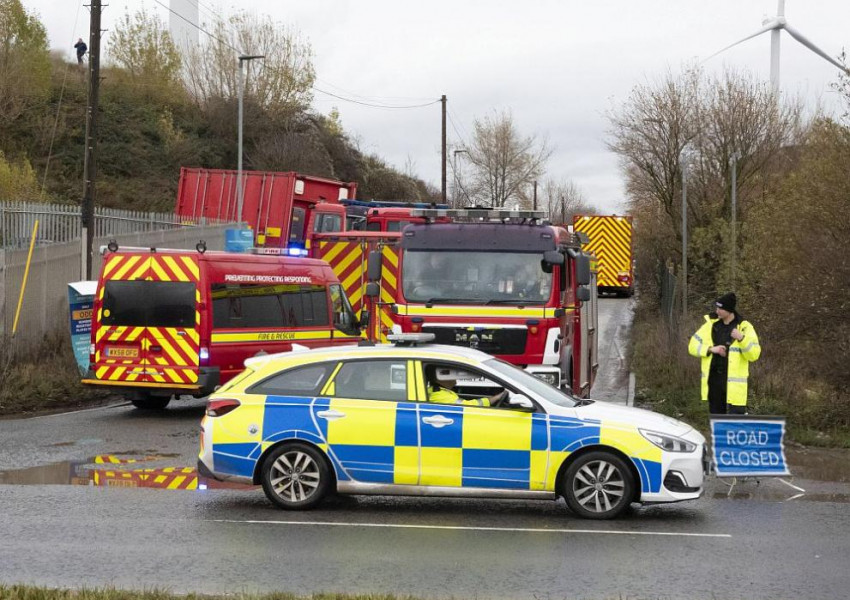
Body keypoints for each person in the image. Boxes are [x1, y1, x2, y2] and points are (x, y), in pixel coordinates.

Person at [688, 292, 761, 414]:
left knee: (735, 425)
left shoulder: (744, 327)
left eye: (720, 308)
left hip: (735, 388)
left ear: (729, 310)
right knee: (717, 423)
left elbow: (754, 355)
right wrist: (711, 349)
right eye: (716, 307)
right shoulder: (710, 325)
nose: (717, 311)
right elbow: (692, 346)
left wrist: (742, 339)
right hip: (715, 381)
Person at [425, 365, 508, 407]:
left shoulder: (439, 391)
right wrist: (495, 398)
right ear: (441, 378)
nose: (454, 377)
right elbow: (468, 406)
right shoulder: (439, 395)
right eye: (450, 374)